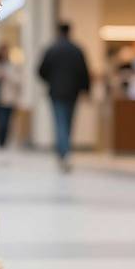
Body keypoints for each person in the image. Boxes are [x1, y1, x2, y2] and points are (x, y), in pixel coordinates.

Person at [39, 23, 90, 171]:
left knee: (60, 122)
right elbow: (84, 72)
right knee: (68, 122)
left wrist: (51, 81)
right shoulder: (77, 50)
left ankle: (64, 153)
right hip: (73, 93)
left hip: (56, 92)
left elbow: (41, 70)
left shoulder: (52, 49)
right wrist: (86, 90)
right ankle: (66, 151)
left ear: (58, 32)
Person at [0, 44, 21, 148]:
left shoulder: (12, 66)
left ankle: (3, 141)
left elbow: (18, 81)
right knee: (1, 121)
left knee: (7, 122)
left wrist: (8, 76)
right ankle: (0, 142)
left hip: (9, 98)